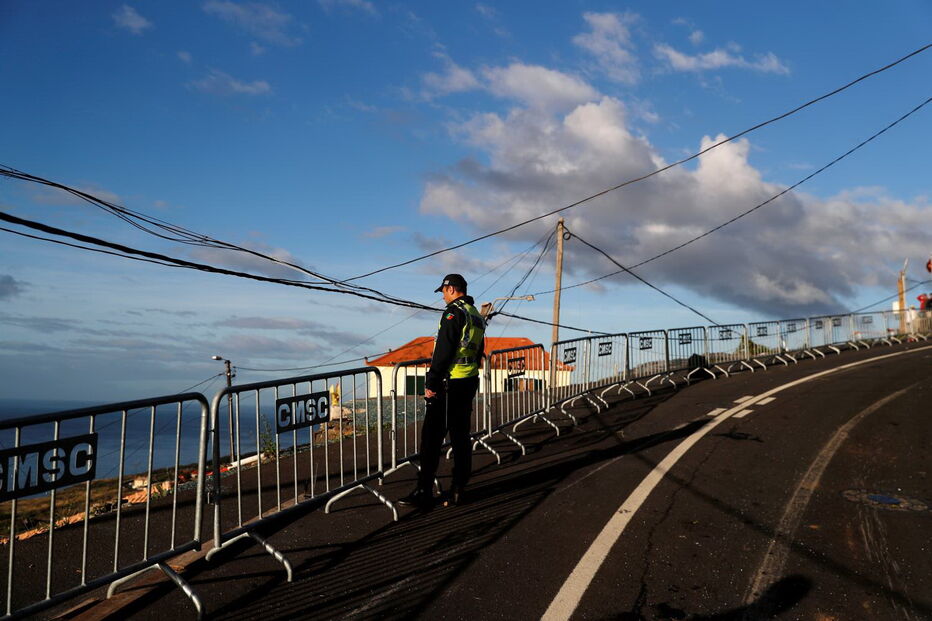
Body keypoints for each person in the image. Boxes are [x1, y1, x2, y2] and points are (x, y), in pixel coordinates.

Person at [397, 274, 485, 509]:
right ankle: (458, 489)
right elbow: (479, 350)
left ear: (452, 289)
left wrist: (431, 383)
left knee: (431, 439)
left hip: (449, 383)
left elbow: (443, 351)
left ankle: (424, 491)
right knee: (460, 437)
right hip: (468, 380)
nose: (443, 297)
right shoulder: (475, 315)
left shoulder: (453, 313)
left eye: (444, 292)